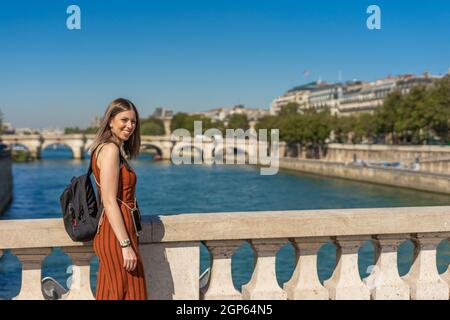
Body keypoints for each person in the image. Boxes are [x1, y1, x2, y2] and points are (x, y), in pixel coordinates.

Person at [89, 98, 147, 300]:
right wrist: (125, 245)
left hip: (116, 229)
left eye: (133, 122)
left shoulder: (106, 148)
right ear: (110, 120)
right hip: (117, 235)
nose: (130, 126)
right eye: (124, 120)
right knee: (132, 294)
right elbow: (109, 200)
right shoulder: (111, 150)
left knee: (111, 293)